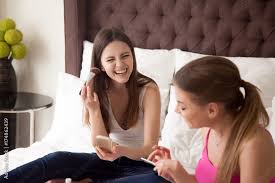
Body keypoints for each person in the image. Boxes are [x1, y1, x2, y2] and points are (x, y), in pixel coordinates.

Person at [0, 28, 166, 183]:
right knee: (56, 159)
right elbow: (100, 146)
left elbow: (148, 149)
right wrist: (93, 109)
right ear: (101, 65)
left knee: (158, 180)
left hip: (140, 168)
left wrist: (121, 151)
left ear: (132, 56)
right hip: (107, 164)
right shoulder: (99, 90)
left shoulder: (148, 90)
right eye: (110, 59)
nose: (120, 64)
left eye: (125, 56)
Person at [112, 56, 275, 183]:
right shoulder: (209, 130)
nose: (176, 110)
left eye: (183, 106)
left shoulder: (254, 144)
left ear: (212, 110)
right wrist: (174, 174)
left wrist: (181, 175)